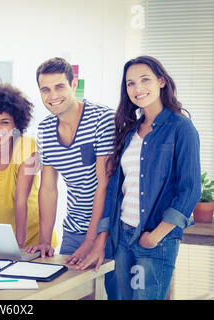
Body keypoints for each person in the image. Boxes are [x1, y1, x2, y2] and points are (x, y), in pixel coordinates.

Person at [77, 56, 201, 300]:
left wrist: (155, 235)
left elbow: (190, 190)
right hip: (121, 236)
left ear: (161, 82)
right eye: (130, 83)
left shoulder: (181, 128)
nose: (137, 88)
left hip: (155, 238)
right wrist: (102, 240)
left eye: (145, 80)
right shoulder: (129, 131)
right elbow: (115, 192)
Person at [26, 57, 115, 265]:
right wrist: (45, 241)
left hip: (106, 230)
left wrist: (91, 240)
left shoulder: (102, 119)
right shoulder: (46, 129)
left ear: (74, 85)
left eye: (59, 87)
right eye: (45, 89)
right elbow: (48, 189)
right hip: (73, 229)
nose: (53, 95)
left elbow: (104, 185)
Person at [0, 84, 58, 249]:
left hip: (35, 239)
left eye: (4, 122)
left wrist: (18, 246)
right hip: (6, 239)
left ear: (16, 124)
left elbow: (20, 200)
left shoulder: (26, 148)